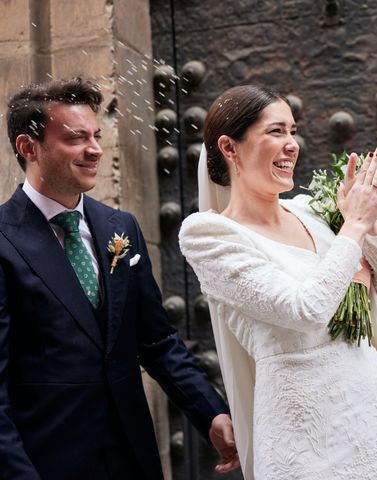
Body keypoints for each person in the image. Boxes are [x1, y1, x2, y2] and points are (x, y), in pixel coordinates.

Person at [179, 85, 377, 480]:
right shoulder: (209, 234)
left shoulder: (311, 212)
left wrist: (370, 226)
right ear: (229, 147)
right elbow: (303, 309)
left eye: (293, 131)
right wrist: (354, 226)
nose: (292, 144)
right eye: (276, 132)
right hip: (305, 438)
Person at [0, 77, 240, 479]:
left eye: (96, 135)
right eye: (76, 138)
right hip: (47, 463)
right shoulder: (4, 239)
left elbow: (157, 341)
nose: (94, 149)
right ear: (29, 148)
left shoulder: (119, 228)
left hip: (134, 458)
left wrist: (210, 410)